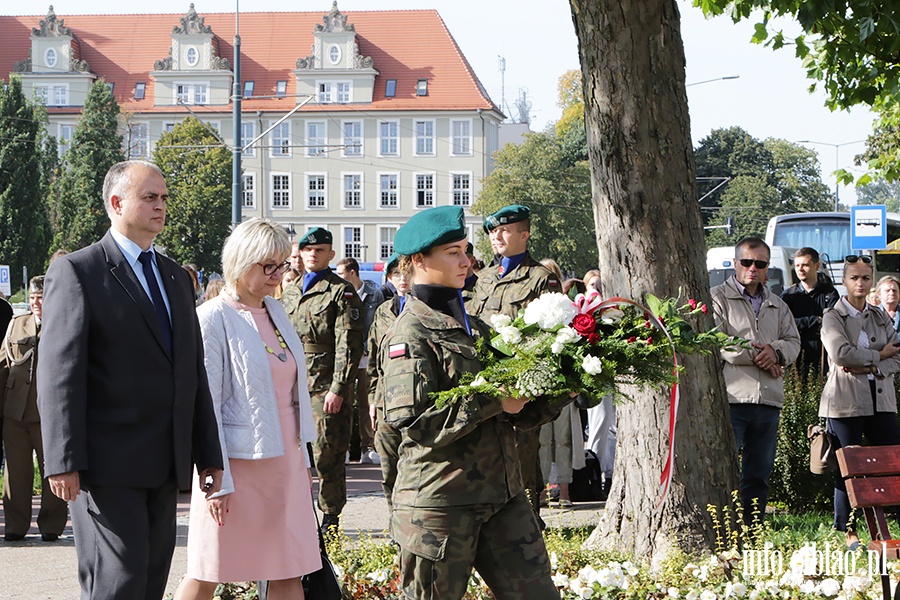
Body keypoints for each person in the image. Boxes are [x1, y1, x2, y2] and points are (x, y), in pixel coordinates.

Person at [37, 160, 224, 599]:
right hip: (106, 464)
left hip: (163, 460)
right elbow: (59, 373)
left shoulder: (176, 278)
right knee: (117, 582)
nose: (161, 206)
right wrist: (62, 458)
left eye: (163, 198)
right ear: (117, 203)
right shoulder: (80, 272)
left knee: (149, 579)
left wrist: (208, 454)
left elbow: (191, 370)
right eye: (150, 198)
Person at [381, 205, 565, 599]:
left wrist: (572, 375)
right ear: (418, 260)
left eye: (466, 250)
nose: (467, 261)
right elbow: (415, 422)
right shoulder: (409, 334)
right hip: (441, 504)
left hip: (503, 496)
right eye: (453, 252)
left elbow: (521, 411)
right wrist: (494, 399)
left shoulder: (475, 324)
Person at [175, 218, 319, 600]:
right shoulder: (211, 318)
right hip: (234, 466)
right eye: (267, 265)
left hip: (285, 461)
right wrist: (216, 482)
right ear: (240, 262)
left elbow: (292, 395)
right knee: (209, 570)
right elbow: (207, 407)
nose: (277, 275)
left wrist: (304, 461)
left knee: (289, 568)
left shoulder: (277, 311)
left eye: (283, 264)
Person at [466, 204, 562, 512]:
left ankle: (530, 525)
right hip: (484, 385)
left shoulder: (539, 278)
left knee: (520, 465)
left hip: (521, 386)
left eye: (505, 230)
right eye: (493, 231)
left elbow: (548, 337)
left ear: (525, 235)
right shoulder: (482, 279)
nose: (497, 237)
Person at [711, 236, 800, 527]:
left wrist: (776, 351)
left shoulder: (778, 304)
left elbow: (793, 343)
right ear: (735, 264)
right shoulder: (717, 298)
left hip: (769, 400)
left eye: (759, 264)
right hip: (733, 398)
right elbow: (719, 342)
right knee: (724, 469)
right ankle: (724, 527)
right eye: (747, 262)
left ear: (767, 268)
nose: (753, 268)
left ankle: (752, 529)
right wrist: (762, 353)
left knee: (758, 472)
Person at [280, 227, 364, 534]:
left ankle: (330, 521)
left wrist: (339, 388)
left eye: (320, 250)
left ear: (330, 255)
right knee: (290, 456)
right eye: (307, 250)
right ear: (300, 254)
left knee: (327, 456)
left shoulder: (342, 292)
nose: (313, 255)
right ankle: (298, 519)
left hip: (324, 386)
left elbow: (349, 344)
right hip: (290, 385)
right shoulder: (288, 292)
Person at [820, 255, 900, 550]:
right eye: (855, 277)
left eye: (866, 278)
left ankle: (892, 524)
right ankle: (848, 530)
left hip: (881, 401)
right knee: (848, 466)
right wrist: (881, 355)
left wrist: (871, 366)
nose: (861, 283)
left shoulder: (880, 316)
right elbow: (841, 354)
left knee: (893, 461)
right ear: (845, 280)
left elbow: (899, 354)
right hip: (845, 402)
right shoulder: (833, 316)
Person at [1, 276, 68, 542]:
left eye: (40, 297)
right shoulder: (17, 324)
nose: (36, 303)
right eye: (32, 298)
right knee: (15, 473)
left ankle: (51, 525)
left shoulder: (62, 323)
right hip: (15, 410)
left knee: (53, 469)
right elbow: (4, 364)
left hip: (49, 412)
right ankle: (15, 526)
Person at [366, 253, 410, 511]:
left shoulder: (424, 308)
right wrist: (373, 398)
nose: (402, 279)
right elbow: (373, 361)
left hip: (414, 398)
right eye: (396, 274)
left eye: (406, 273)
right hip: (386, 400)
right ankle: (395, 520)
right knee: (388, 466)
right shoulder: (383, 311)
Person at [336, 257, 384, 464]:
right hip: (345, 358)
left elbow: (378, 323)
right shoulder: (339, 294)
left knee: (367, 403)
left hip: (366, 357)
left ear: (353, 272)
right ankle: (344, 448)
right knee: (344, 403)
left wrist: (366, 348)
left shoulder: (374, 294)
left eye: (341, 274)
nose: (338, 278)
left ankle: (368, 447)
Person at [780, 247, 839, 379]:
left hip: (823, 356)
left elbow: (833, 323)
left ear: (817, 266)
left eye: (805, 265)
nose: (800, 269)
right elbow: (784, 325)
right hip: (796, 357)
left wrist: (803, 323)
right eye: (797, 265)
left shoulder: (829, 293)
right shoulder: (788, 296)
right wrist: (814, 320)